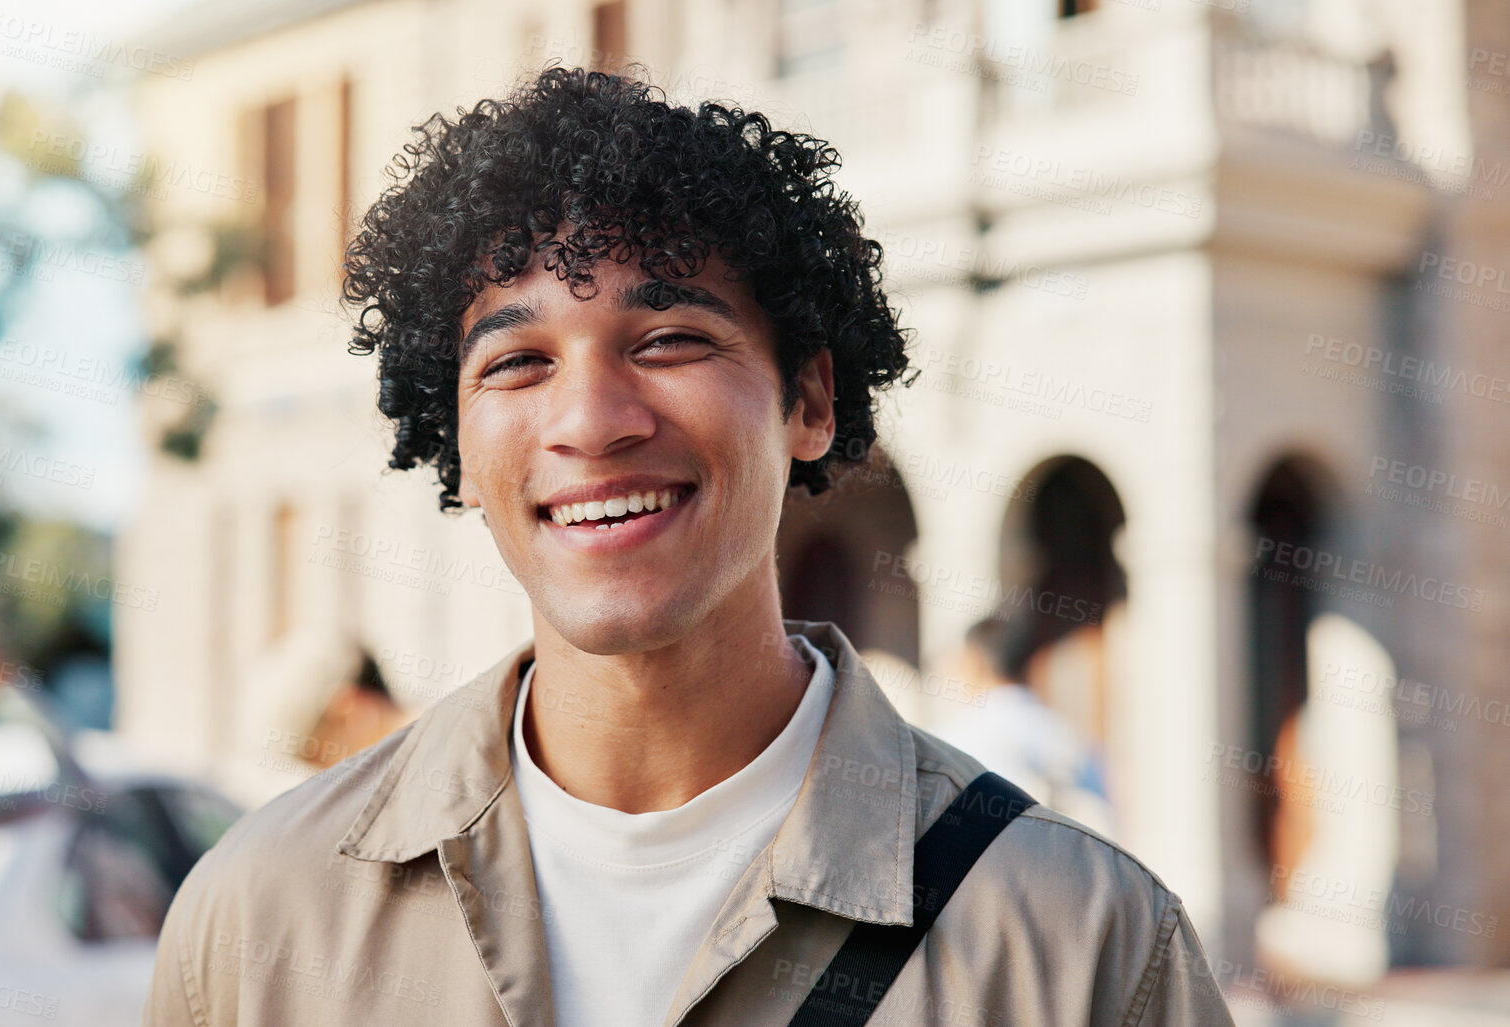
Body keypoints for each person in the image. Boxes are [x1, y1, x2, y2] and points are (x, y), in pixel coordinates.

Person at [145, 68, 1234, 1026]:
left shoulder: (1081, 944)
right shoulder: (261, 917)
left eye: (668, 339)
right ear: (458, 444)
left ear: (810, 400)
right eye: (516, 362)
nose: (591, 421)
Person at [926, 615, 1117, 837]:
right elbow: (1104, 826)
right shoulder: (1069, 739)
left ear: (974, 662)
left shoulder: (948, 741)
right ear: (1033, 662)